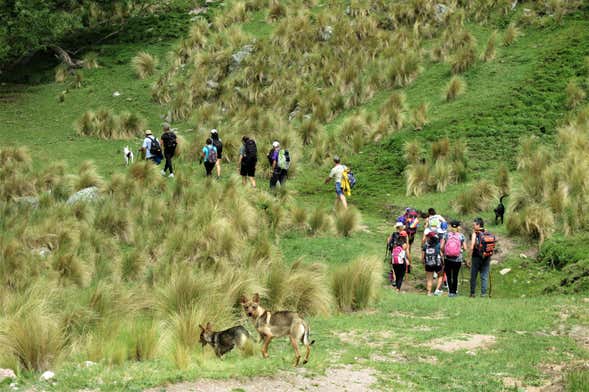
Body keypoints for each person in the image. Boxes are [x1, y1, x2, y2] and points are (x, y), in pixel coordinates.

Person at [441, 220, 468, 297]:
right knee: (455, 276)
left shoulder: (446, 235)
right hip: (457, 259)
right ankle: (455, 292)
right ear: (458, 227)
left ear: (451, 226)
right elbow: (465, 248)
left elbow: (441, 247)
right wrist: (460, 248)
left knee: (449, 276)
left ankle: (450, 292)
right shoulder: (461, 236)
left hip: (447, 258)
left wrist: (445, 252)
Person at [468, 217, 492, 297]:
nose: (473, 226)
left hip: (476, 257)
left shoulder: (475, 234)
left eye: (474, 225)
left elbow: (471, 247)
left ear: (478, 225)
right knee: (484, 276)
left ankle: (472, 293)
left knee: (473, 276)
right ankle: (483, 294)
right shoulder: (487, 232)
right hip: (487, 257)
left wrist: (468, 258)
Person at [387, 222, 411, 292]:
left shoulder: (394, 239)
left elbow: (388, 243)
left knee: (396, 273)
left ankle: (395, 283)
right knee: (401, 275)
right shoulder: (404, 244)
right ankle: (398, 289)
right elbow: (407, 253)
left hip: (394, 258)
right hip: (401, 260)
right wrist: (409, 261)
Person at [422, 229, 443, 296]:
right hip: (437, 263)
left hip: (428, 264)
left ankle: (428, 292)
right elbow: (441, 254)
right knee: (440, 276)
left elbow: (423, 257)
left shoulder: (425, 246)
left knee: (429, 279)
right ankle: (437, 291)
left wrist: (424, 262)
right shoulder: (438, 245)